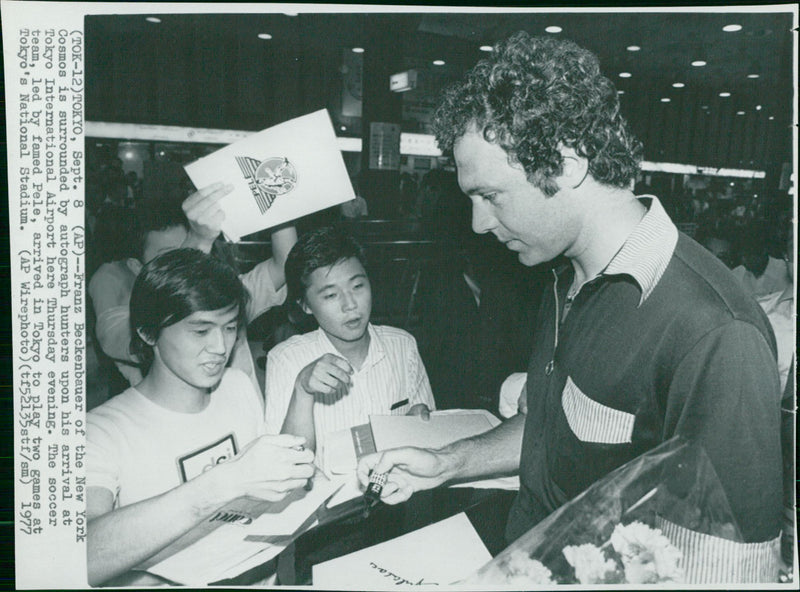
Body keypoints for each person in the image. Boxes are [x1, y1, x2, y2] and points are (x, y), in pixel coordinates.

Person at [357, 32, 782, 579]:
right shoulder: (563, 275)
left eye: (490, 196)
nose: (478, 224)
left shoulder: (715, 334)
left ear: (568, 163)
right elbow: (554, 429)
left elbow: (729, 573)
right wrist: (447, 463)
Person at [87, 249, 314, 586]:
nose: (221, 347)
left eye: (230, 328)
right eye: (200, 331)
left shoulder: (237, 386)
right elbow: (78, 556)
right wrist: (218, 485)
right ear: (149, 333)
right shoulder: (99, 431)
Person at [88, 182, 296, 396]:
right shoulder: (120, 322)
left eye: (228, 328)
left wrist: (276, 204)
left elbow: (285, 265)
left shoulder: (227, 301)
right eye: (170, 255)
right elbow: (165, 312)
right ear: (137, 267)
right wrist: (198, 239)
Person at [264, 226, 435, 462]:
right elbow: (283, 463)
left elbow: (427, 429)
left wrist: (419, 424)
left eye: (357, 286)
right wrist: (302, 390)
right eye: (331, 295)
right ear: (305, 305)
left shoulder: (403, 345)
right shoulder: (286, 359)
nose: (350, 305)